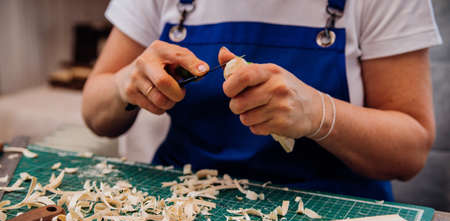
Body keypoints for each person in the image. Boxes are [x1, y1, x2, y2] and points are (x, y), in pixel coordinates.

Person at [82, 0, 442, 201]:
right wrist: (124, 85)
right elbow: (95, 113)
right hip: (185, 204)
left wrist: (319, 113)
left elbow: (409, 152)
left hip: (332, 216)